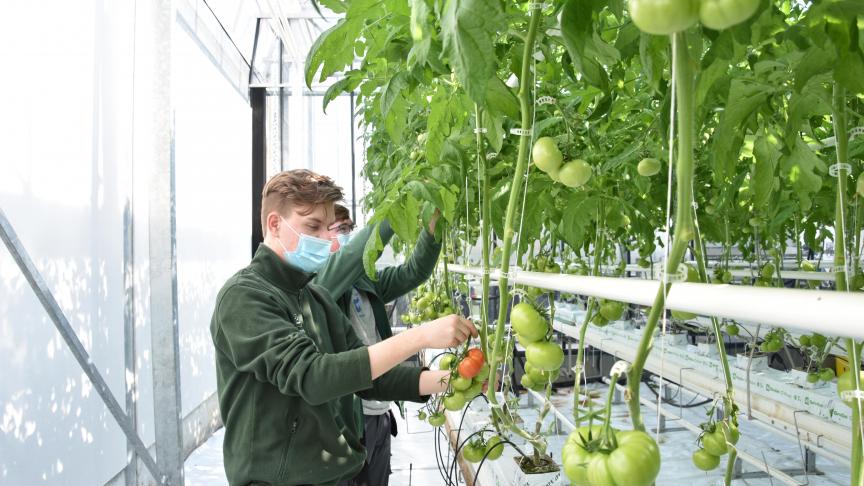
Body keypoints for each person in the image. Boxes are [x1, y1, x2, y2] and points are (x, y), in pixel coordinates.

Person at [210, 169, 477, 486]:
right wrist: (420, 337)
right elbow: (312, 376)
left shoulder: (315, 298)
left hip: (336, 475)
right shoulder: (244, 297)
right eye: (313, 226)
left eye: (328, 228)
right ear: (274, 224)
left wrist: (451, 380)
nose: (328, 239)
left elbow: (372, 379)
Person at [315, 204, 442, 486]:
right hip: (349, 418)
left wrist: (433, 226)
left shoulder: (365, 282)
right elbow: (353, 256)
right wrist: (399, 206)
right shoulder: (321, 284)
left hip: (380, 409)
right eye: (340, 229)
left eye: (350, 228)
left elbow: (414, 271)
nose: (348, 235)